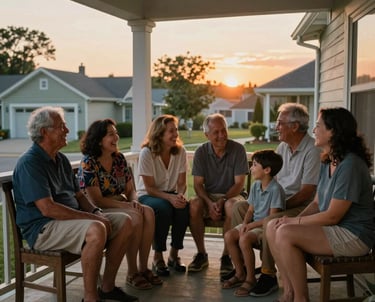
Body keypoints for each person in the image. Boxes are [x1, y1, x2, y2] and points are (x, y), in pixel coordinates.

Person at [12, 106, 138, 302]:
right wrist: (93, 217)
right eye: (61, 126)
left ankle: (107, 287)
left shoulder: (60, 159)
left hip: (69, 220)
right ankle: (90, 298)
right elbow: (48, 208)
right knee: (96, 228)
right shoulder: (30, 163)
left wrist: (96, 211)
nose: (67, 131)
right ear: (44, 132)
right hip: (43, 228)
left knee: (125, 221)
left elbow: (79, 196)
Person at [267, 107, 375, 302]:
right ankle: (290, 292)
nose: (314, 130)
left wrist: (293, 223)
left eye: (318, 126)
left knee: (285, 231)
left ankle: (301, 298)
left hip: (353, 236)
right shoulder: (328, 160)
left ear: (333, 131)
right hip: (333, 229)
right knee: (272, 226)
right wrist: (292, 219)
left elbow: (333, 215)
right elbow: (317, 203)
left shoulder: (350, 165)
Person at [228, 103, 321, 297]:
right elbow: (271, 181)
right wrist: (267, 202)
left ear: (294, 126)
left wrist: (275, 205)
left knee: (271, 219)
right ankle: (245, 268)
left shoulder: (312, 150)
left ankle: (268, 274)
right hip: (276, 200)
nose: (276, 127)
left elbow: (307, 192)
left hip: (300, 206)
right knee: (239, 207)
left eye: (280, 123)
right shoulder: (282, 147)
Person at [78, 119, 163, 290]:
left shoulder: (119, 159)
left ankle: (143, 267)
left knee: (148, 212)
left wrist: (133, 201)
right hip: (100, 208)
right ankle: (132, 273)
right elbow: (96, 200)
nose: (116, 137)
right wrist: (127, 206)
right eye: (111, 134)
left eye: (116, 133)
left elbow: (131, 189)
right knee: (137, 215)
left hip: (121, 202)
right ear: (99, 139)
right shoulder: (89, 162)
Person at [188, 113, 249, 275]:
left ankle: (226, 256)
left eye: (224, 130)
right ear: (206, 135)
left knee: (231, 206)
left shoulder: (238, 149)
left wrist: (222, 200)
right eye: (216, 132)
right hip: (209, 196)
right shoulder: (201, 152)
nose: (222, 135)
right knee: (194, 205)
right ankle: (201, 254)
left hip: (233, 195)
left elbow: (239, 184)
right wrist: (209, 203)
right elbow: (198, 184)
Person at [222, 150, 285, 297]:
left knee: (244, 239)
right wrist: (245, 224)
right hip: (253, 224)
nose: (251, 168)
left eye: (255, 165)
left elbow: (272, 218)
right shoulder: (256, 186)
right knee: (229, 236)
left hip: (265, 227)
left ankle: (250, 279)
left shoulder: (276, 190)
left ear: (267, 170)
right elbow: (250, 210)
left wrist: (250, 227)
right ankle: (240, 273)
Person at [137, 114, 189, 277]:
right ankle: (157, 257)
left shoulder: (180, 152)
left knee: (184, 208)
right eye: (171, 131)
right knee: (163, 209)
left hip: (170, 194)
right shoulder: (147, 153)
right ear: (159, 134)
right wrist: (170, 198)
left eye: (176, 131)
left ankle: (174, 255)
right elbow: (150, 188)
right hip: (147, 195)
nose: (176, 135)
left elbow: (181, 183)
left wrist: (179, 196)